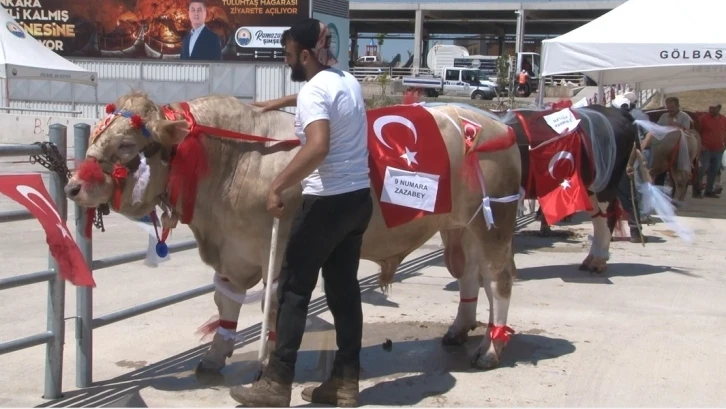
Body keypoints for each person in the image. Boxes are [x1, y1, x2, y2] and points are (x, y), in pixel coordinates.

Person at [229, 18, 372, 408]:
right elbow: (323, 103)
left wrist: (278, 186)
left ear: (305, 55)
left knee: (292, 289)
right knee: (344, 291)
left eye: (289, 54)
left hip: (326, 201)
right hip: (358, 201)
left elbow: (318, 146)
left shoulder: (313, 92)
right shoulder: (346, 80)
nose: (285, 61)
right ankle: (345, 383)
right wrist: (280, 102)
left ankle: (277, 383)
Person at [693, 103, 726, 198]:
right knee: (702, 170)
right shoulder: (703, 119)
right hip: (705, 149)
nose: (711, 110)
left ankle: (708, 190)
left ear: (719, 108)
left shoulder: (724, 119)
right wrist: (700, 145)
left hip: (719, 150)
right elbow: (696, 132)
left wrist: (725, 146)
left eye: (713, 108)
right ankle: (697, 190)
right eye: (710, 108)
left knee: (714, 170)